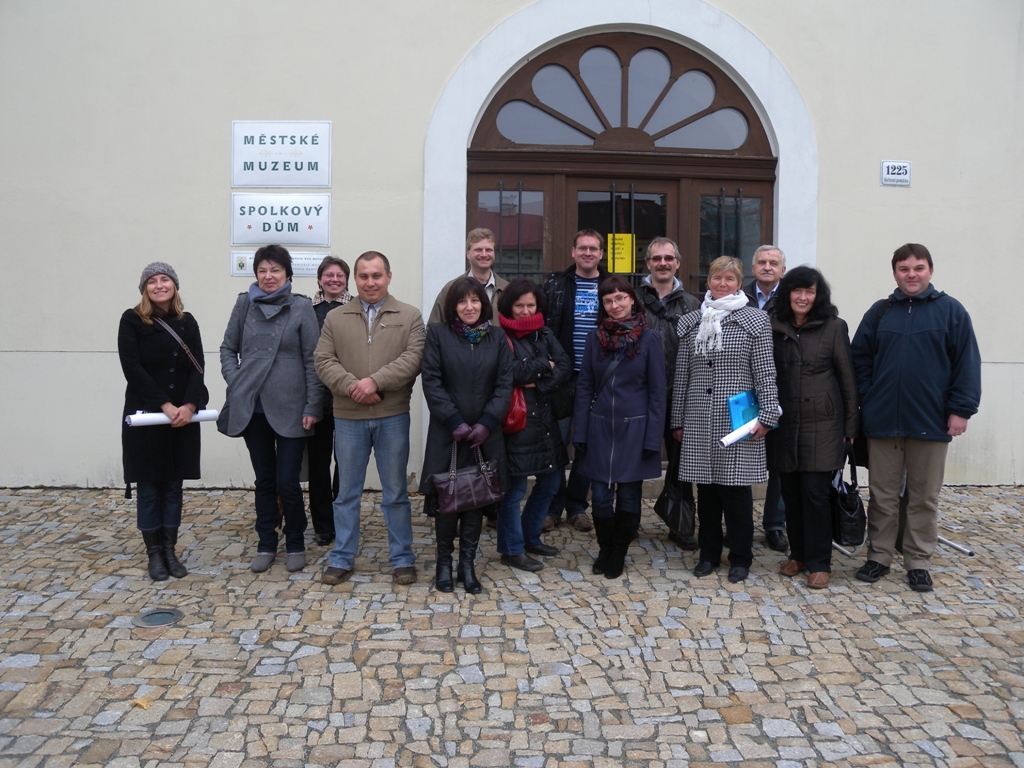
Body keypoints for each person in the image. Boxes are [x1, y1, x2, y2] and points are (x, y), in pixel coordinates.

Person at [851, 243, 981, 592]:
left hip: (932, 420)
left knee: (924, 497)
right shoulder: (880, 313)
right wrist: (869, 396)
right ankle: (878, 557)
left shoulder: (951, 312)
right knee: (882, 496)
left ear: (930, 271)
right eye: (904, 269)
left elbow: (966, 364)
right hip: (883, 422)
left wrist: (961, 410)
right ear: (895, 273)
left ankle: (918, 561)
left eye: (918, 268)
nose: (912, 274)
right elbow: (858, 360)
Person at [314, 251, 425, 586]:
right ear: (355, 279)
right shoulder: (336, 317)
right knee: (347, 492)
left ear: (389, 277)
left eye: (376, 275)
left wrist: (375, 382)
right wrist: (353, 387)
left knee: (395, 492)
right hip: (348, 417)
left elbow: (413, 358)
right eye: (363, 276)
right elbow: (323, 360)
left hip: (392, 416)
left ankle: (402, 559)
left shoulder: (409, 315)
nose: (370, 282)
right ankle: (342, 558)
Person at [671, 255, 779, 583]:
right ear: (708, 282)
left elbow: (765, 372)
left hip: (738, 421)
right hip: (699, 418)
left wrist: (769, 413)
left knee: (736, 494)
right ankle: (708, 554)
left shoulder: (755, 320)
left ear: (738, 282)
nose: (722, 284)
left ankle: (740, 558)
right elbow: (682, 375)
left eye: (729, 279)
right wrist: (677, 419)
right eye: (717, 278)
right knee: (707, 493)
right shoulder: (692, 322)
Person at [219, 245, 323, 574]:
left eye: (275, 270)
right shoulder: (243, 304)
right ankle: (266, 541)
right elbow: (227, 348)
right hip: (253, 408)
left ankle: (295, 541)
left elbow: (313, 360)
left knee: (287, 482)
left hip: (293, 409)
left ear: (287, 275)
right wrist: (237, 382)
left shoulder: (301, 308)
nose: (269, 276)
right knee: (264, 480)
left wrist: (312, 405)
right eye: (263, 270)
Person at [766, 267, 859, 589]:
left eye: (810, 292)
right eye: (797, 291)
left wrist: (850, 426)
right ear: (788, 293)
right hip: (785, 424)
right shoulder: (773, 325)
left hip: (824, 425)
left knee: (816, 494)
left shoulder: (834, 327)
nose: (803, 298)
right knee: (790, 493)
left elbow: (848, 380)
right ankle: (799, 553)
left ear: (818, 296)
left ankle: (821, 562)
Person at [420, 278, 514, 593]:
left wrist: (487, 422)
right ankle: (444, 564)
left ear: (484, 304)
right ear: (452, 306)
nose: (469, 307)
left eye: (475, 301)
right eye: (462, 302)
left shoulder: (497, 337)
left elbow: (505, 383)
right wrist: (454, 421)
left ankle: (467, 565)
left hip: (484, 434)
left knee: (476, 497)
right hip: (450, 434)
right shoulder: (437, 335)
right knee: (448, 499)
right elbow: (432, 381)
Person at [119, 262, 208, 581]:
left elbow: (197, 367)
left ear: (175, 285)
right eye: (152, 281)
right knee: (149, 486)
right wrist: (166, 405)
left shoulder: (188, 322)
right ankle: (154, 554)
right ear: (144, 288)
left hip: (181, 418)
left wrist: (189, 404)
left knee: (172, 485)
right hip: (147, 416)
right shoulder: (132, 320)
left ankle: (170, 550)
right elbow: (133, 369)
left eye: (165, 279)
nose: (159, 285)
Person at [573, 276, 666, 579]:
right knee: (599, 496)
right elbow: (585, 387)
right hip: (600, 429)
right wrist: (580, 432)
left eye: (620, 298)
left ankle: (618, 553)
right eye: (608, 300)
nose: (615, 305)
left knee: (628, 495)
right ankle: (605, 547)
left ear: (632, 299)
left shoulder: (649, 339)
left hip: (635, 431)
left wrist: (653, 438)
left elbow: (657, 392)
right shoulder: (594, 338)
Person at [497, 279, 572, 567]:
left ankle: (530, 535)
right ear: (508, 307)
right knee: (514, 490)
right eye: (519, 306)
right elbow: (511, 372)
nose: (526, 311)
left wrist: (537, 382)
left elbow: (564, 367)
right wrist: (545, 366)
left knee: (551, 482)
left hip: (546, 420)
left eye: (531, 305)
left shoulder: (545, 333)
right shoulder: (499, 336)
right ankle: (512, 549)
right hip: (517, 423)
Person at [541, 229, 609, 533]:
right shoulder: (556, 284)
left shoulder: (612, 286)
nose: (588, 253)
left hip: (597, 379)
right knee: (556, 444)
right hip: (562, 378)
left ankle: (577, 505)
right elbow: (543, 328)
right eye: (582, 248)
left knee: (586, 446)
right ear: (573, 252)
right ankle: (553, 507)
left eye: (593, 249)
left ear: (601, 254)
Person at [639, 237, 700, 550]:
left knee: (681, 464)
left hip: (680, 396)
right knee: (633, 462)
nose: (662, 263)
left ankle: (681, 524)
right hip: (639, 396)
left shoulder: (693, 304)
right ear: (648, 263)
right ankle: (627, 521)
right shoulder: (633, 300)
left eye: (668, 258)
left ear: (678, 262)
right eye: (656, 258)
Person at [744, 244, 789, 553]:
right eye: (762, 262)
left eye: (774, 263)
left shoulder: (793, 299)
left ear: (782, 269)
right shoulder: (738, 297)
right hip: (741, 391)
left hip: (783, 387)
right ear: (753, 267)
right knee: (740, 457)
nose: (768, 267)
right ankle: (739, 523)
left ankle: (775, 523)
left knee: (780, 463)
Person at [308, 256, 353, 546]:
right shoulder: (306, 310)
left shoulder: (356, 309)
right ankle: (323, 523)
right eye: (329, 275)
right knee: (318, 464)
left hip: (348, 395)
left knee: (346, 462)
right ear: (320, 278)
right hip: (316, 398)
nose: (334, 280)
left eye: (340, 275)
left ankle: (342, 517)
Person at [427, 228, 509, 326]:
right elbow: (433, 328)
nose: (484, 254)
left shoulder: (507, 290)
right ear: (468, 254)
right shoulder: (451, 288)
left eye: (488, 250)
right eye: (478, 250)